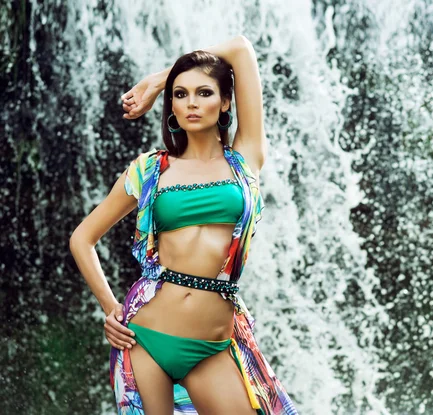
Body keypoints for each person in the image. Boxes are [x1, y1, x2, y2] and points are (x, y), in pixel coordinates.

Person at [69, 35, 298, 415]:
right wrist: (110, 308)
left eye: (204, 92)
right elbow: (83, 238)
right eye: (179, 94)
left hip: (213, 343)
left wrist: (160, 79)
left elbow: (241, 48)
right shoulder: (149, 170)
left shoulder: (246, 158)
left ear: (226, 101)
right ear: (171, 108)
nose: (191, 103)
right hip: (146, 337)